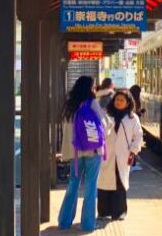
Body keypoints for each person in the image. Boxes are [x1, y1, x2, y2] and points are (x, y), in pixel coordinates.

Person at [57, 76, 106, 233]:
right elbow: (104, 124)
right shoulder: (92, 103)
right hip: (92, 151)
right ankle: (88, 224)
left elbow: (66, 130)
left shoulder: (69, 105)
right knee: (91, 187)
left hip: (75, 153)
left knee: (73, 185)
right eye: (93, 87)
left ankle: (64, 222)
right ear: (89, 88)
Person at [97, 89, 143, 222]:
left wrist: (133, 151)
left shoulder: (132, 118)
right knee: (104, 182)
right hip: (106, 154)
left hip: (123, 155)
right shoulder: (106, 114)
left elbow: (138, 136)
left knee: (120, 183)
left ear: (128, 103)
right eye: (117, 99)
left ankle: (119, 212)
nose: (118, 102)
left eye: (122, 100)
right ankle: (103, 212)